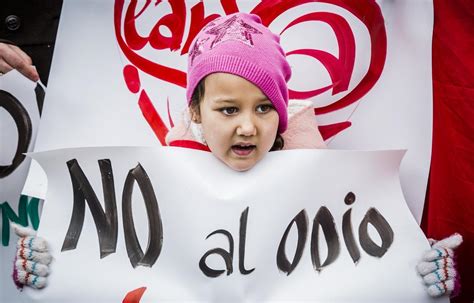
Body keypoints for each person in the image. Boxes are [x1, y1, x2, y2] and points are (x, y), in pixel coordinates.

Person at [12, 12, 461, 298]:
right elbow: (110, 264)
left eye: (265, 108)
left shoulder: (326, 186)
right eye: (229, 110)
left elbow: (354, 267)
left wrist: (416, 273)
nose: (248, 125)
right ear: (196, 113)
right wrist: (50, 270)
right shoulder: (156, 187)